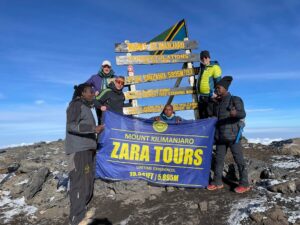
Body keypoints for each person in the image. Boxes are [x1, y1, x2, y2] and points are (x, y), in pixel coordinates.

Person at [65, 83, 104, 225]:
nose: (93, 94)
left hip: (88, 150)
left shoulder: (87, 107)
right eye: (90, 92)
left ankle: (82, 212)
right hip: (78, 151)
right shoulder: (75, 105)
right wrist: (93, 128)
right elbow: (71, 126)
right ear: (82, 93)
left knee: (87, 182)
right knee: (79, 183)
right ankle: (76, 218)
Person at [207, 76, 250, 193]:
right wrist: (212, 101)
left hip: (233, 137)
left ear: (225, 88)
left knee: (239, 160)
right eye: (216, 88)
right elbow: (211, 114)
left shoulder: (235, 99)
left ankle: (245, 184)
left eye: (218, 88)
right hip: (220, 137)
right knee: (219, 160)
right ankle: (217, 182)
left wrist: (235, 113)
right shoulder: (218, 103)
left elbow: (242, 113)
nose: (217, 90)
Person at [86, 60, 115, 124]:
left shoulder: (114, 77)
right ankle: (101, 133)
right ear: (102, 67)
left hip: (111, 104)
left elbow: (120, 85)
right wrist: (93, 92)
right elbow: (85, 86)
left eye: (108, 67)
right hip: (99, 103)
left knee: (113, 122)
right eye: (105, 66)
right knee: (101, 122)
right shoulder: (95, 77)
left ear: (110, 68)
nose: (106, 68)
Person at [197, 50, 222, 119]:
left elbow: (219, 82)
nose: (204, 59)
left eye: (205, 57)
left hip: (210, 97)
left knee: (211, 118)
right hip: (201, 97)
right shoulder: (201, 68)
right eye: (202, 58)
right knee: (202, 117)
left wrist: (215, 93)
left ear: (209, 58)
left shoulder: (214, 67)